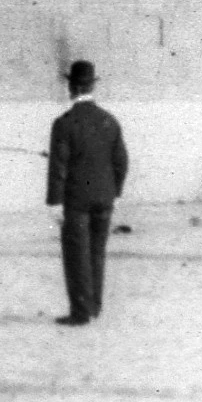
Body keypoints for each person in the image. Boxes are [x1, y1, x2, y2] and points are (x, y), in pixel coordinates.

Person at [46, 60, 128, 326]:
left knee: (76, 254)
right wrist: (115, 193)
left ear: (71, 87)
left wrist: (55, 202)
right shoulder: (109, 121)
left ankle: (80, 313)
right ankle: (95, 306)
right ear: (93, 86)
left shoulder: (64, 124)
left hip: (76, 201)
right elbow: (121, 161)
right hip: (105, 198)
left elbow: (58, 166)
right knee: (97, 252)